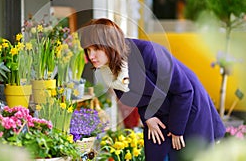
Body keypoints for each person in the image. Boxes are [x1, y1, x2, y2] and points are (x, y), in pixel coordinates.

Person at [78, 18, 226, 161]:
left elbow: (184, 91)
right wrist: (147, 117)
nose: (91, 56)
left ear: (110, 44)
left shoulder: (149, 52)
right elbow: (137, 97)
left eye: (96, 48)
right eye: (88, 49)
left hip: (187, 108)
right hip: (158, 114)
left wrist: (176, 130)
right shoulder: (107, 70)